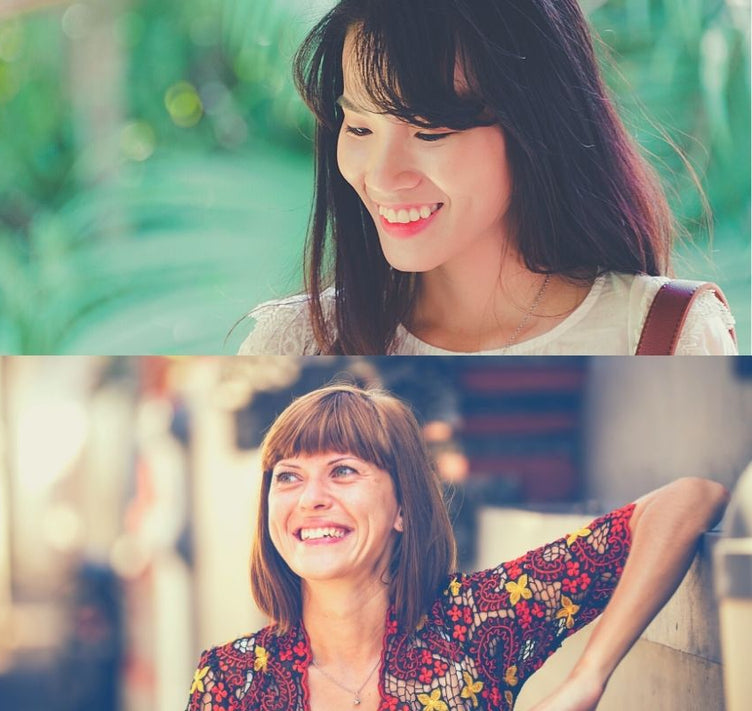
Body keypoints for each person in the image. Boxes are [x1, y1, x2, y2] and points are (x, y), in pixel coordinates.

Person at [236, 0, 737, 355]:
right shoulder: (297, 344)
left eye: (429, 132)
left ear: (535, 128)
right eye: (360, 127)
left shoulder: (666, 338)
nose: (383, 176)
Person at [187, 384, 729, 710]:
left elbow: (687, 501)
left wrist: (586, 680)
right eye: (287, 477)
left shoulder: (479, 622)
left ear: (402, 507)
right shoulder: (232, 682)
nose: (311, 499)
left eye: (343, 471)